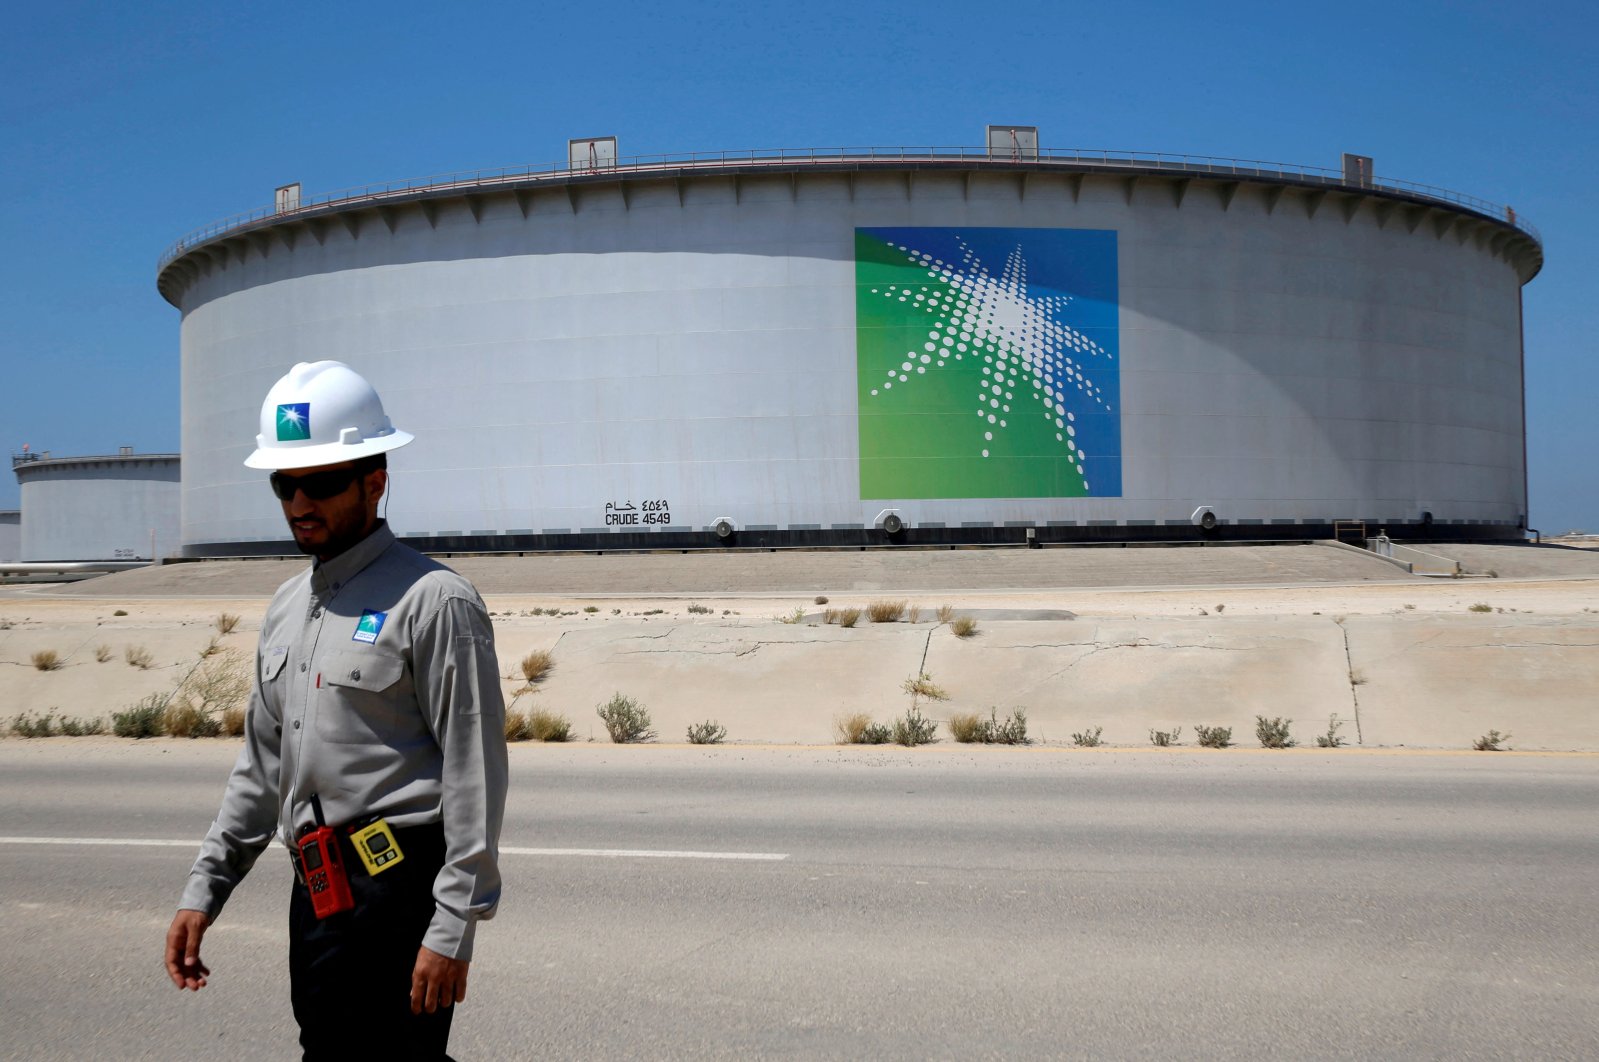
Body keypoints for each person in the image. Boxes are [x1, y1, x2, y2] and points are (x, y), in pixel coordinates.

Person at [164, 360, 508, 1060]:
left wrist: (451, 929)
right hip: (317, 887)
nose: (298, 503)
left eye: (319, 482)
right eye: (284, 484)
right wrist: (206, 887)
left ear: (373, 481)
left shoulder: (435, 601)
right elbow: (262, 766)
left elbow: (474, 776)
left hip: (397, 888)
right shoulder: (288, 608)